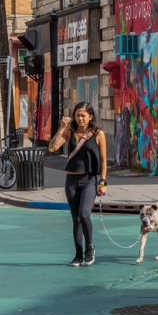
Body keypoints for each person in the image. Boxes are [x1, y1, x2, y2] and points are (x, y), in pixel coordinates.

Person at [48, 102, 107, 267]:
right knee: (75, 219)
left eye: (83, 115)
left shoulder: (98, 134)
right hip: (72, 180)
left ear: (90, 116)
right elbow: (52, 147)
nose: (80, 118)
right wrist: (62, 128)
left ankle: (90, 248)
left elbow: (103, 160)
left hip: (90, 179)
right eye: (77, 115)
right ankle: (78, 254)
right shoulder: (70, 131)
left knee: (84, 214)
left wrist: (103, 181)